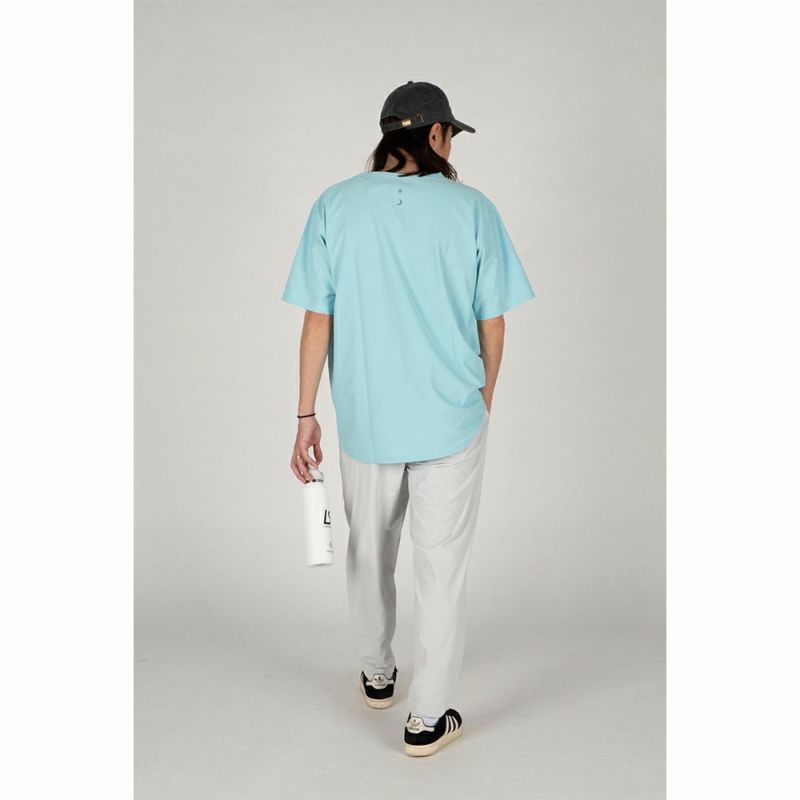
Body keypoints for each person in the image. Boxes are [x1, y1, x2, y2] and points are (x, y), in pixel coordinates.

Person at [281, 80, 535, 756]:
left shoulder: (335, 204)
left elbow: (317, 317)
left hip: (366, 417)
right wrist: (483, 397)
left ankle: (377, 672)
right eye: (451, 134)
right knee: (441, 565)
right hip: (451, 417)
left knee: (368, 550)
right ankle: (427, 718)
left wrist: (306, 413)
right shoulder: (473, 209)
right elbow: (493, 322)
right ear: (435, 134)